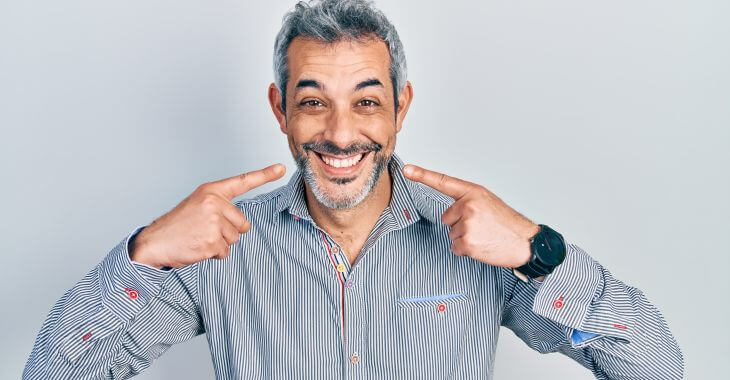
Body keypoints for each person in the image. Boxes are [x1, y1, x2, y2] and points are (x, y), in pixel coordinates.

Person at [23, 0, 683, 378]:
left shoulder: (481, 245)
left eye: (367, 103)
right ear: (280, 110)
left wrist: (542, 252)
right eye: (314, 103)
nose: (340, 134)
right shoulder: (222, 250)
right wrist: (143, 253)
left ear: (401, 108)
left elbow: (656, 368)